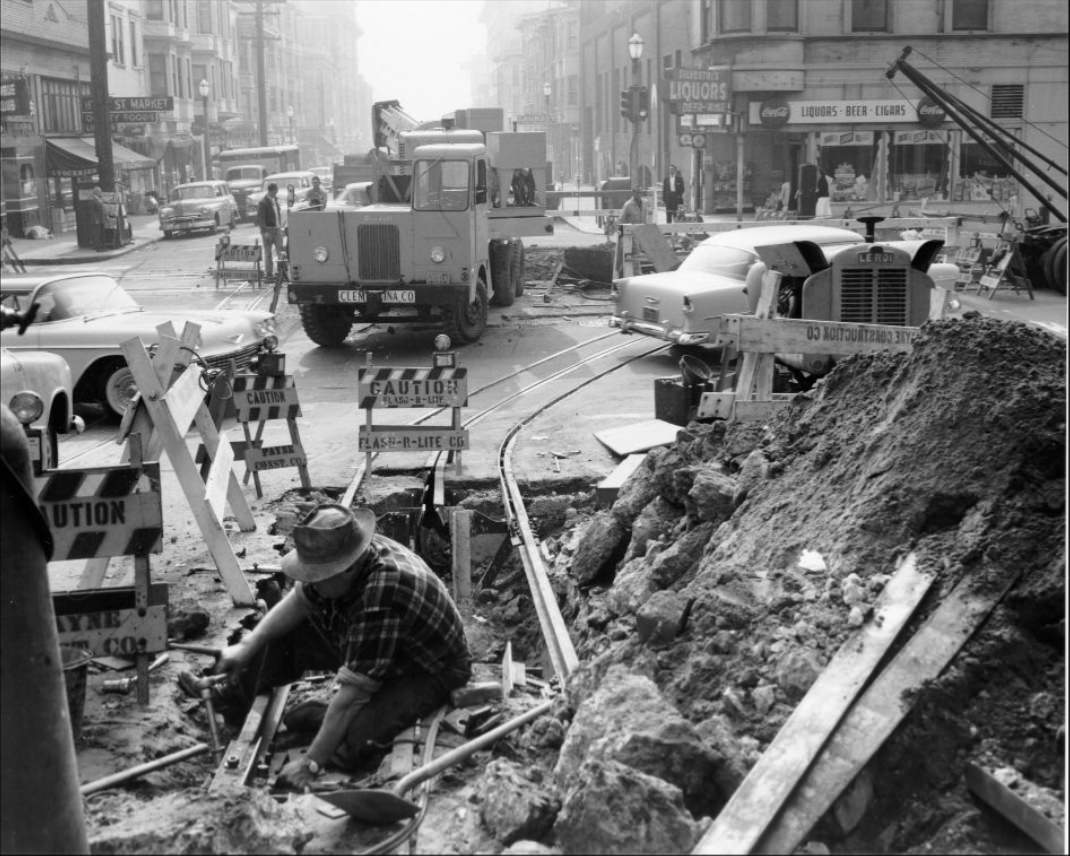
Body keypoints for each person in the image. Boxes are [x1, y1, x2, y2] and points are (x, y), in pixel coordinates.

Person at [180, 504, 472, 791]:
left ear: (345, 570)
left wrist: (311, 764)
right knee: (282, 630)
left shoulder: (382, 593)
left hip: (427, 667)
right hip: (379, 643)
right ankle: (233, 696)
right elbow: (299, 600)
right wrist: (247, 645)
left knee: (357, 742)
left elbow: (352, 696)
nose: (309, 582)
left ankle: (320, 719)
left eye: (316, 577)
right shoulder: (349, 550)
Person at [256, 182, 285, 279]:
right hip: (268, 230)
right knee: (268, 253)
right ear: (271, 191)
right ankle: (269, 273)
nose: (276, 193)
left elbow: (277, 214)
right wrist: (265, 232)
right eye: (275, 191)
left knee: (280, 251)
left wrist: (280, 227)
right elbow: (260, 219)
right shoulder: (263, 203)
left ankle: (281, 272)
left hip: (277, 229)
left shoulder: (275, 201)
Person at [87, 185, 105, 251]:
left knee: (99, 232)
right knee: (96, 233)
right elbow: (91, 211)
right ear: (96, 192)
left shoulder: (98, 198)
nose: (101, 192)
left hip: (100, 219)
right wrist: (96, 219)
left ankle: (100, 245)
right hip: (96, 219)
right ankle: (96, 246)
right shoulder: (92, 199)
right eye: (100, 191)